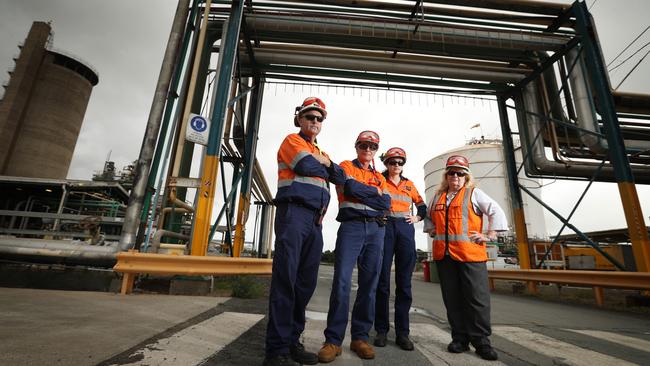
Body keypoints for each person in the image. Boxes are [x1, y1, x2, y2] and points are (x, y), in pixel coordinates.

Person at [263, 97, 346, 366]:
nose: (315, 121)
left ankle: (291, 341)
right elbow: (305, 166)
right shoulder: (292, 141)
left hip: (315, 221)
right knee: (286, 280)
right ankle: (276, 351)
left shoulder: (319, 150)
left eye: (319, 118)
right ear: (299, 118)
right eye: (310, 116)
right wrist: (324, 164)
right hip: (294, 215)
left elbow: (341, 177)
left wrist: (325, 163)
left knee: (304, 284)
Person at [423, 155, 508, 361]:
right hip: (445, 256)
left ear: (466, 176)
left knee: (476, 300)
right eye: (451, 172)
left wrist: (490, 234)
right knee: (452, 300)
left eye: (460, 173)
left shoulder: (474, 194)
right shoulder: (437, 197)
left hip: (471, 255)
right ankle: (459, 339)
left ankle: (481, 342)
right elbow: (428, 216)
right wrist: (431, 229)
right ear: (446, 175)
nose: (455, 176)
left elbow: (495, 211)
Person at [318, 130, 391, 363]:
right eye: (363, 145)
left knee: (369, 285)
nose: (367, 149)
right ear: (357, 146)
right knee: (341, 282)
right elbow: (349, 189)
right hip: (352, 227)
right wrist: (373, 193)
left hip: (376, 229)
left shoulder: (381, 177)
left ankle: (360, 337)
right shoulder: (346, 166)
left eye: (372, 146)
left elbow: (385, 203)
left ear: (376, 150)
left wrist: (369, 193)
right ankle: (333, 341)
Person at [373, 147, 427, 351]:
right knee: (382, 283)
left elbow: (422, 206)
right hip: (385, 228)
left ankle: (403, 334)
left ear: (403, 164)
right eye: (392, 162)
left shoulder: (409, 184)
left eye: (400, 162)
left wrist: (417, 217)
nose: (396, 165)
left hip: (405, 229)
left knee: (404, 283)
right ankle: (381, 331)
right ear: (386, 163)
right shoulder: (378, 179)